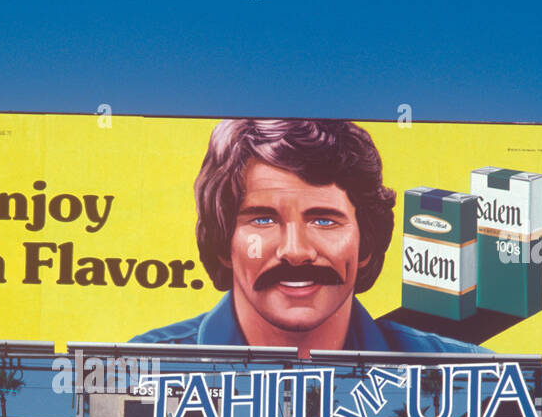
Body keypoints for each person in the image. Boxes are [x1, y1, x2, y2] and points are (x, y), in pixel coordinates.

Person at [130, 118, 488, 353]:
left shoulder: (470, 373)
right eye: (263, 220)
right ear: (224, 242)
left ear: (367, 243)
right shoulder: (139, 371)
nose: (295, 252)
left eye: (324, 221)